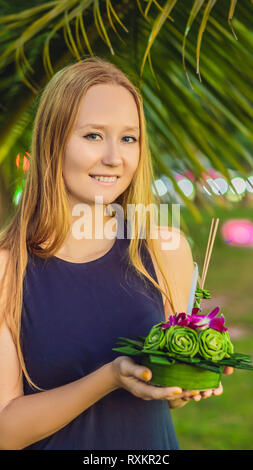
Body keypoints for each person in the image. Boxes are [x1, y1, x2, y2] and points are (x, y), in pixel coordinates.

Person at [0, 57, 233, 450]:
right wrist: (108, 378)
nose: (114, 158)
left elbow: (166, 393)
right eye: (93, 135)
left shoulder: (165, 249)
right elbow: (5, 430)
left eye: (129, 138)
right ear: (52, 142)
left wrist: (184, 383)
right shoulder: (8, 268)